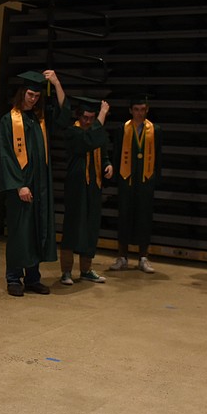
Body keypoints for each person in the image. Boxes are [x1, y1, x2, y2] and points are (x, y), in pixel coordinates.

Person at [0, 69, 70, 297]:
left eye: (37, 96)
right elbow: (6, 155)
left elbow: (64, 116)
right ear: (21, 93)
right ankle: (13, 278)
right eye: (30, 94)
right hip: (20, 186)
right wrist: (19, 185)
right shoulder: (9, 120)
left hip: (40, 185)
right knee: (20, 232)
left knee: (37, 229)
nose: (33, 99)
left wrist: (57, 83)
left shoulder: (40, 119)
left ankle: (32, 278)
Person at [59, 97, 113, 285]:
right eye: (86, 118)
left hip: (94, 185)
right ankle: (66, 271)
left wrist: (107, 165)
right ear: (78, 116)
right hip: (76, 185)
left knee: (91, 226)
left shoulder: (96, 132)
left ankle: (86, 269)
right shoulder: (73, 132)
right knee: (73, 226)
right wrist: (102, 115)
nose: (89, 121)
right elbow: (88, 142)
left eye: (92, 118)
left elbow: (102, 151)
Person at [108, 95, 160, 273]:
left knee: (144, 217)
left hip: (146, 179)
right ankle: (122, 257)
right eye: (136, 109)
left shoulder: (155, 130)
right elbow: (116, 153)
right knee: (124, 216)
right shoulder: (122, 129)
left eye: (143, 109)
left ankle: (143, 258)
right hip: (126, 178)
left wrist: (154, 179)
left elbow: (159, 156)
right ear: (130, 111)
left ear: (147, 110)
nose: (139, 113)